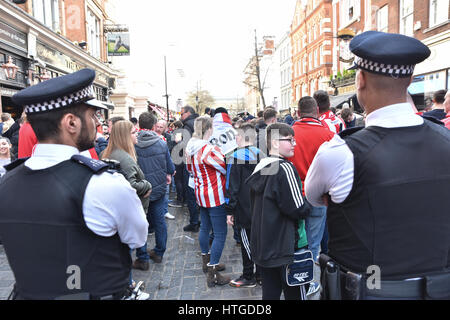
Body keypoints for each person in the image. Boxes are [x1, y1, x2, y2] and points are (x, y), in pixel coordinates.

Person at [306, 31, 450, 300]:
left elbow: (314, 197)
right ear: (409, 80)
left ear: (360, 80)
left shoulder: (340, 152)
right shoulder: (446, 140)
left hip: (371, 291)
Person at [0, 68, 149, 300]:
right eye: (92, 115)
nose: (97, 122)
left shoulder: (6, 182)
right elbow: (137, 238)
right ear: (71, 123)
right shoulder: (104, 184)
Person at [246, 122, 311, 300]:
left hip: (266, 244)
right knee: (296, 293)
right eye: (290, 140)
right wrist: (311, 203)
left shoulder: (262, 167)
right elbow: (298, 209)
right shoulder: (285, 168)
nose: (294, 144)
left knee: (270, 293)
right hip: (288, 245)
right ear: (275, 142)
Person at [287, 96, 335, 296]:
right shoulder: (328, 135)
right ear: (317, 111)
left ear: (298, 112)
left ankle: (292, 279)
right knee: (313, 244)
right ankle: (307, 283)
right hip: (318, 195)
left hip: (292, 194)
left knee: (294, 241)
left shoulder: (289, 134)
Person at [101, 120, 152, 271]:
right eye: (133, 132)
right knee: (125, 252)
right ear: (125, 136)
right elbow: (130, 185)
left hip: (115, 208)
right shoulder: (124, 158)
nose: (137, 135)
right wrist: (147, 185)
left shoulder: (108, 153)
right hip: (127, 209)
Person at [186, 116, 229, 287]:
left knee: (205, 227)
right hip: (214, 193)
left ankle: (207, 260)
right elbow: (223, 167)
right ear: (209, 129)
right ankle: (213, 271)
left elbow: (190, 169)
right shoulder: (209, 149)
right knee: (220, 233)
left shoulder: (191, 148)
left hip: (200, 191)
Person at [225, 123, 264, 288]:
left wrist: (230, 210)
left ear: (240, 137)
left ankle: (249, 276)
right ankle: (261, 275)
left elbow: (232, 186)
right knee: (259, 241)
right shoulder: (262, 155)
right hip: (261, 207)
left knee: (247, 243)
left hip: (244, 208)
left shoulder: (235, 157)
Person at [135, 112, 175, 264]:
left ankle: (142, 257)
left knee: (140, 223)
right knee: (159, 222)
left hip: (140, 191)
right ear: (153, 126)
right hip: (158, 189)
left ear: (139, 125)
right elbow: (170, 167)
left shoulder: (133, 143)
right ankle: (159, 252)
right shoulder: (161, 143)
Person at [180, 106, 201, 232]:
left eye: (181, 114)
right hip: (202, 162)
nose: (180, 116)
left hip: (192, 164)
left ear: (188, 113)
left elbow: (187, 147)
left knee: (191, 195)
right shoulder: (200, 122)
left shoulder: (188, 125)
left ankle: (194, 222)